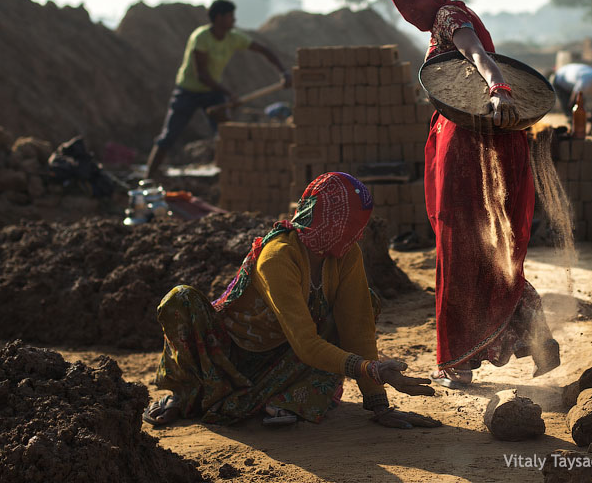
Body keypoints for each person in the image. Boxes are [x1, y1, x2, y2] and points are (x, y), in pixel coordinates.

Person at [142, 172, 441, 430]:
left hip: (284, 357)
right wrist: (370, 368)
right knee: (180, 299)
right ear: (327, 219)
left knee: (366, 302)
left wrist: (379, 404)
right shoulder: (278, 256)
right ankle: (184, 394)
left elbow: (357, 327)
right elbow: (307, 343)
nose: (358, 233)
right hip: (230, 355)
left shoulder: (346, 255)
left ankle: (285, 399)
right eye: (350, 224)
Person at [389, 0, 559, 389]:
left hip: (468, 149)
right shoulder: (440, 28)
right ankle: (526, 330)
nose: (409, 11)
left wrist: (498, 88)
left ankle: (458, 363)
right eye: (401, 6)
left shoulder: (450, 16)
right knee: (482, 242)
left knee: (460, 245)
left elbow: (478, 56)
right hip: (471, 142)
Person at [146, 0, 291, 178]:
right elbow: (202, 76)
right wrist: (229, 94)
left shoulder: (233, 38)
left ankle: (231, 177)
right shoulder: (201, 38)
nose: (234, 20)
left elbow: (264, 51)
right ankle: (148, 177)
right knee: (168, 136)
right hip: (188, 91)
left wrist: (283, 72)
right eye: (231, 16)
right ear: (219, 17)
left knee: (226, 134)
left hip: (212, 93)